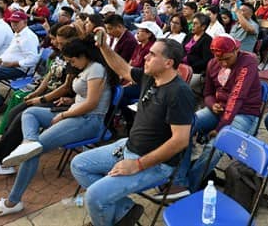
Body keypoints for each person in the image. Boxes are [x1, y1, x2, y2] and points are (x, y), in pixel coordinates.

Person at [0, 38, 117, 218]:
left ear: (83, 55)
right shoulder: (86, 67)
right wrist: (71, 102)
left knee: (32, 153)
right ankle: (29, 140)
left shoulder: (96, 69)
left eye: (72, 61)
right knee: (30, 113)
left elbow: (92, 104)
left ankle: (12, 202)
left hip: (88, 120)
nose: (72, 65)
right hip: (75, 112)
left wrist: (64, 114)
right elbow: (86, 97)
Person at [71, 37, 194, 226]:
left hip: (155, 164)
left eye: (152, 54)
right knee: (78, 164)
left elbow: (180, 141)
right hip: (128, 147)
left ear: (168, 63)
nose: (146, 57)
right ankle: (124, 210)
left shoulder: (179, 92)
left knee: (94, 197)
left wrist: (138, 164)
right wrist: (103, 46)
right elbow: (122, 69)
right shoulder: (150, 76)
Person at [0, 24, 79, 175]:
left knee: (22, 117)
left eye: (61, 42)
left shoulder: (74, 57)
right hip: (48, 94)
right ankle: (1, 156)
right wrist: (36, 93)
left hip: (60, 100)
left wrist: (41, 99)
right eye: (56, 41)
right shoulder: (59, 54)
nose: (56, 44)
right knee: (13, 113)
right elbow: (49, 76)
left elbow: (66, 88)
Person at [174, 34, 261, 193]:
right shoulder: (213, 64)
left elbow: (237, 97)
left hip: (244, 112)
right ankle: (180, 181)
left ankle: (190, 186)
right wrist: (212, 104)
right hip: (219, 109)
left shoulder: (248, 62)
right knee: (184, 127)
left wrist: (220, 128)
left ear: (236, 50)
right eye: (219, 59)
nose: (223, 63)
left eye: (227, 58)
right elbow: (207, 93)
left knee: (215, 145)